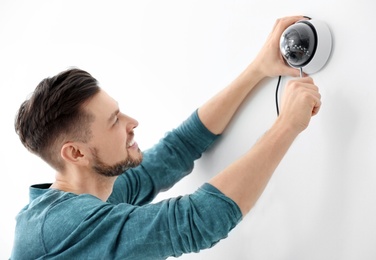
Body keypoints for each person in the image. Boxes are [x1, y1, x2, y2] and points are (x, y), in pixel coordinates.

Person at [11, 15, 321, 259]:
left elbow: (177, 149)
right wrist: (287, 125)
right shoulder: (62, 227)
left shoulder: (86, 196)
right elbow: (195, 222)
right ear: (76, 154)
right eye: (114, 121)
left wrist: (258, 69)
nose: (132, 123)